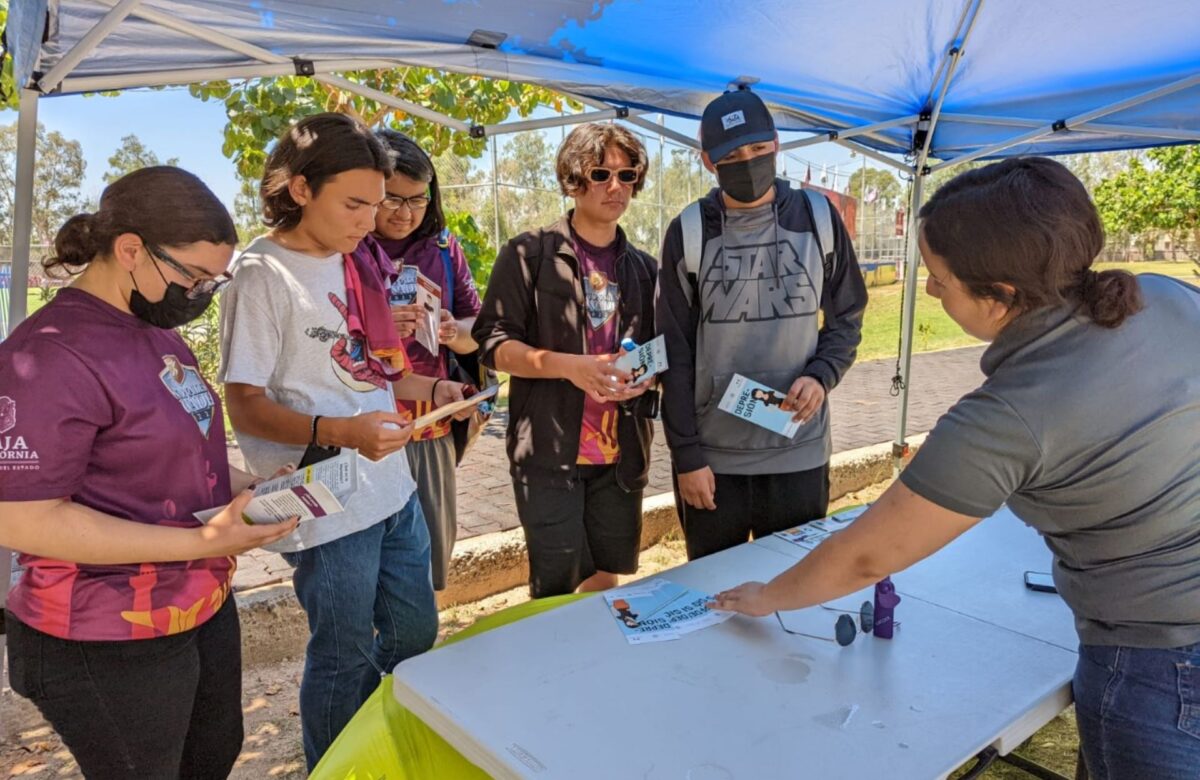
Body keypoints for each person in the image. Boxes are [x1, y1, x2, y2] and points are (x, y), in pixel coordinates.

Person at [712, 157, 1200, 780]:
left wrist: (767, 596)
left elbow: (866, 557)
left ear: (1000, 295)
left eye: (939, 279)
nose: (931, 291)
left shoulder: (1006, 414)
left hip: (1159, 660)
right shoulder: (1164, 295)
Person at [0, 167, 297, 778]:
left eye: (214, 282)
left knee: (211, 755)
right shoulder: (49, 353)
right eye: (193, 277)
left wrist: (249, 486)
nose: (200, 294)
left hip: (195, 601)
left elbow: (176, 449)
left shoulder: (152, 331)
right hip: (101, 632)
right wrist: (199, 541)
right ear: (130, 250)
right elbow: (23, 518)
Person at [218, 113, 466, 769]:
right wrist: (342, 433)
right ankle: (333, 763)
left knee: (416, 632)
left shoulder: (353, 261)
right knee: (343, 652)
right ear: (300, 188)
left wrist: (430, 391)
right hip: (326, 503)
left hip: (393, 490)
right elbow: (243, 401)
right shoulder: (263, 274)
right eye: (354, 203)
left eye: (376, 205)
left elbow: (371, 369)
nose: (368, 220)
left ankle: (375, 739)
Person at [655, 88, 868, 560]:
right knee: (713, 599)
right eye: (731, 154)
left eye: (756, 149)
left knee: (794, 590)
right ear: (708, 161)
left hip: (799, 452)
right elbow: (675, 351)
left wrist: (822, 373)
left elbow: (847, 317)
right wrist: (687, 455)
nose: (747, 161)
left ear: (776, 144)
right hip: (715, 461)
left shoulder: (818, 219)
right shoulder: (689, 231)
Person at [473, 122, 659, 598]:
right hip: (550, 457)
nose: (616, 186)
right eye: (601, 173)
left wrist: (646, 376)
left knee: (603, 584)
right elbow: (492, 342)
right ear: (573, 180)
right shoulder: (528, 254)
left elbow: (660, 351)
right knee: (555, 593)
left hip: (619, 455)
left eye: (628, 173)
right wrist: (570, 366)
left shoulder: (644, 268)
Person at [372, 128, 483, 591]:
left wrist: (455, 333)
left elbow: (480, 330)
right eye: (393, 200)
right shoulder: (345, 251)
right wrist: (380, 324)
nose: (406, 213)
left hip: (431, 425)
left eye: (418, 200)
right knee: (376, 569)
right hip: (368, 432)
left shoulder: (442, 246)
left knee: (431, 561)